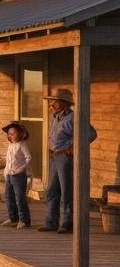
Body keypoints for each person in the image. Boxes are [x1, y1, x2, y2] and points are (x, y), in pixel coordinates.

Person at [42, 88, 98, 234]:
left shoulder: (73, 117)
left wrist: (74, 147)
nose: (52, 104)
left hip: (65, 158)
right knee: (51, 190)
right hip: (54, 156)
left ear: (64, 103)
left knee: (67, 190)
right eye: (51, 101)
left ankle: (67, 223)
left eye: (55, 101)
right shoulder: (56, 117)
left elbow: (91, 134)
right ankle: (51, 222)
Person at [0, 121, 31, 229]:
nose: (10, 135)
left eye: (13, 133)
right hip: (9, 174)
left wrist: (21, 168)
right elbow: (9, 160)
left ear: (20, 133)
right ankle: (13, 217)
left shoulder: (22, 145)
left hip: (19, 175)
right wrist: (6, 171)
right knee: (8, 196)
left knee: (19, 197)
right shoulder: (11, 146)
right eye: (9, 134)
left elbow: (28, 158)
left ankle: (24, 219)